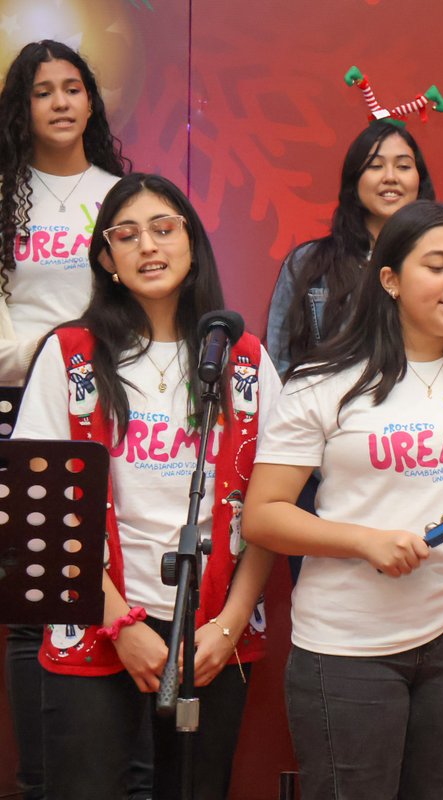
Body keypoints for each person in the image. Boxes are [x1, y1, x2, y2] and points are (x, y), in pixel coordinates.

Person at [243, 200, 443, 799]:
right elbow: (264, 515)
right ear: (390, 279)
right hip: (348, 638)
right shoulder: (322, 381)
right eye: (436, 265)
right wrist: (364, 541)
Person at [12, 172, 279, 799]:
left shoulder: (242, 357)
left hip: (214, 633)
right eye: (126, 236)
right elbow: (44, 511)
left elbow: (268, 508)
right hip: (95, 615)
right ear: (106, 259)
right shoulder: (71, 354)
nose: (148, 247)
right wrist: (118, 624)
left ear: (192, 243)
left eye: (164, 229)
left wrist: (228, 627)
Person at [0, 39, 130, 800]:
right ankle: (41, 780)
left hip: (110, 407)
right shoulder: (3, 194)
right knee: (34, 601)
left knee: (108, 583)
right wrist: (46, 358)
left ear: (91, 102)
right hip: (18, 408)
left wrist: (88, 363)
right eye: (41, 91)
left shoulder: (118, 195)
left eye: (72, 87)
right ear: (21, 108)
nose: (59, 102)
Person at [265, 119, 435, 376]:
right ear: (354, 181)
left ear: (419, 180)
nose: (390, 177)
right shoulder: (307, 263)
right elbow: (280, 368)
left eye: (403, 166)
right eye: (375, 166)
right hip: (329, 412)